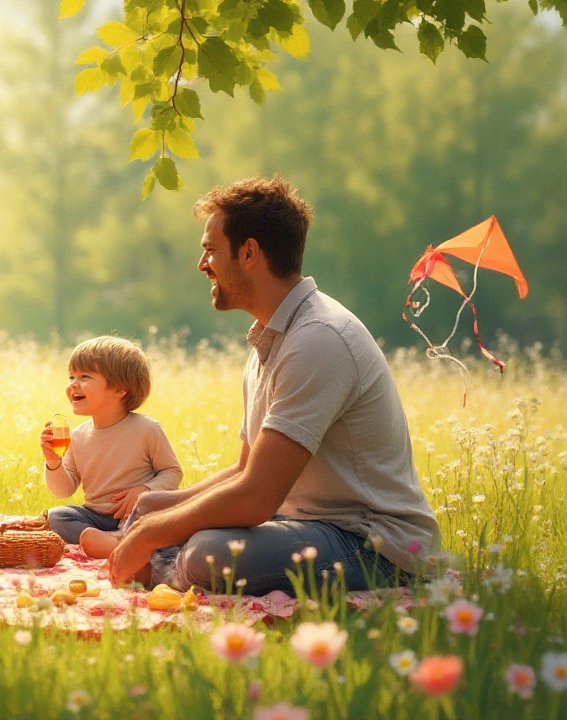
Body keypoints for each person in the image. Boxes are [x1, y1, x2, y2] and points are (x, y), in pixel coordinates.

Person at [107, 176, 439, 595]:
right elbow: (247, 470)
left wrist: (153, 535)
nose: (201, 264)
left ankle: (170, 571)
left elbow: (256, 498)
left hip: (372, 545)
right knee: (152, 507)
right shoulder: (269, 339)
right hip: (303, 523)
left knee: (207, 553)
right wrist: (158, 512)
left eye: (210, 250)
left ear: (248, 253)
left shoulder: (319, 338)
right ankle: (166, 566)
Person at [40, 336, 182, 556]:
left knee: (154, 515)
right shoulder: (77, 437)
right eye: (71, 376)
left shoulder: (147, 429)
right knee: (57, 517)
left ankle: (119, 540)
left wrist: (144, 490)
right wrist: (53, 462)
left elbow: (173, 472)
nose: (73, 384)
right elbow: (63, 491)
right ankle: (114, 542)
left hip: (136, 513)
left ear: (119, 389)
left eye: (84, 376)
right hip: (96, 516)